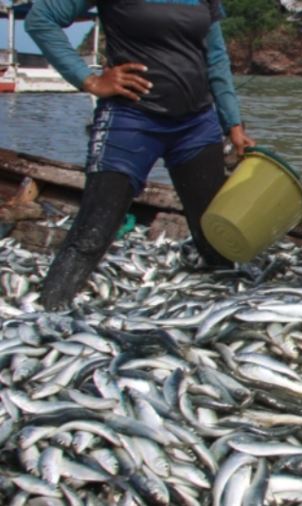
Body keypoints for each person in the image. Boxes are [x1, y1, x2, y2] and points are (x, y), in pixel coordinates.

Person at [25, 0, 255, 309]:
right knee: (93, 233)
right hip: (130, 120)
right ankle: (47, 314)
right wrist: (89, 79)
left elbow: (215, 55)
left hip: (196, 125)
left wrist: (233, 123)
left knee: (215, 238)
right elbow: (41, 20)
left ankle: (225, 316)